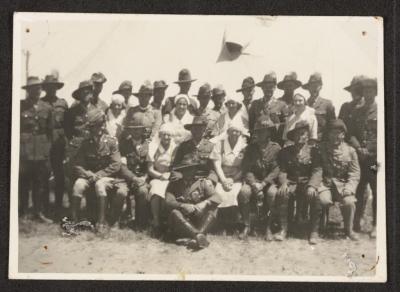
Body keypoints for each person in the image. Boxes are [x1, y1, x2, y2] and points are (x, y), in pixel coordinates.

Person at [71, 109, 126, 234]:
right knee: (78, 185)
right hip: (89, 175)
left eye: (102, 124)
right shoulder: (85, 143)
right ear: (91, 127)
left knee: (99, 185)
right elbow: (77, 164)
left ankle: (101, 222)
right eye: (96, 126)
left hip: (106, 177)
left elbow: (116, 164)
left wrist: (99, 175)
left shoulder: (111, 142)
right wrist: (87, 174)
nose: (100, 128)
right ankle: (74, 221)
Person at [311, 119, 360, 241]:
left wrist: (349, 188)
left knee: (349, 202)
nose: (336, 136)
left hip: (342, 186)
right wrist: (315, 185)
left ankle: (348, 230)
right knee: (322, 200)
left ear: (343, 135)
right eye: (333, 133)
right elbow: (317, 169)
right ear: (328, 134)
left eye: (339, 133)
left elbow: (354, 173)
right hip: (325, 184)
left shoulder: (351, 151)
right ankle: (315, 231)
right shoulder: (320, 148)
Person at [277, 121, 322, 243]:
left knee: (315, 196)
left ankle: (313, 231)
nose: (300, 137)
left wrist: (312, 186)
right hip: (291, 182)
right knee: (283, 194)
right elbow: (282, 170)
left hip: (306, 183)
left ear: (308, 136)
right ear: (293, 137)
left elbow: (317, 170)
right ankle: (283, 229)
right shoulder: (285, 152)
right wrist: (284, 183)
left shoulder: (314, 152)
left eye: (303, 134)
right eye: (298, 134)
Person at [165, 158, 222, 250]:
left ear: (195, 170)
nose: (189, 172)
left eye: (191, 169)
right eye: (186, 169)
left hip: (198, 219)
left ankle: (198, 234)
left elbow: (217, 197)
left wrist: (205, 203)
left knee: (214, 209)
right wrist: (182, 205)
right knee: (175, 213)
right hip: (183, 220)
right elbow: (168, 201)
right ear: (182, 171)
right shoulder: (174, 184)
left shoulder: (202, 182)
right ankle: (198, 235)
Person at [209, 119, 252, 239]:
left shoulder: (244, 146)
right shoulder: (220, 144)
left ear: (241, 133)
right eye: (232, 131)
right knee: (218, 192)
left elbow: (244, 167)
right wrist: (223, 180)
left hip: (237, 177)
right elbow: (216, 164)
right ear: (228, 131)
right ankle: (220, 224)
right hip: (222, 175)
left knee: (236, 193)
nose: (234, 134)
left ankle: (237, 224)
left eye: (237, 132)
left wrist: (233, 179)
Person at [19, 76, 53, 223]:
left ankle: (38, 212)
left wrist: (47, 150)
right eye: (34, 89)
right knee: (24, 182)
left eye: (39, 88)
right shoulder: (20, 106)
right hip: (25, 150)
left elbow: (50, 133)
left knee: (39, 182)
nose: (37, 91)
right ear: (28, 90)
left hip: (41, 151)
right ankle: (24, 211)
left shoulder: (47, 107)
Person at [241, 117, 281, 240]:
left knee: (272, 193)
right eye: (258, 131)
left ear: (269, 132)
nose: (260, 134)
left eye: (264, 131)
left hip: (268, 182)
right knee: (244, 192)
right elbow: (247, 169)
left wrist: (263, 184)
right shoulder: (250, 148)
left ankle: (268, 227)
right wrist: (254, 184)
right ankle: (246, 225)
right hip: (253, 181)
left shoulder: (276, 148)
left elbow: (276, 169)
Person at [349, 77, 378, 237]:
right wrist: (359, 148)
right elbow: (351, 133)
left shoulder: (380, 109)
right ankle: (357, 221)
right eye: (365, 90)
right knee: (359, 190)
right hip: (360, 157)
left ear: (375, 92)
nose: (368, 93)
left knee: (376, 189)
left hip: (375, 160)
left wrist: (370, 149)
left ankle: (375, 225)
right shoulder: (357, 111)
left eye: (371, 90)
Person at [41, 73, 69, 218]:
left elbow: (68, 124)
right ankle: (45, 207)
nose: (51, 89)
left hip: (59, 144)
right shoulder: (40, 104)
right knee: (44, 175)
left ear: (56, 88)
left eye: (54, 87)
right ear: (45, 88)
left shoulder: (62, 103)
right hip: (44, 143)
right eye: (48, 87)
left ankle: (58, 207)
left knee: (59, 175)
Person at [118, 118, 151, 230]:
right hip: (127, 179)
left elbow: (149, 165)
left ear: (143, 131)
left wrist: (145, 177)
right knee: (121, 192)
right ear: (130, 131)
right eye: (134, 130)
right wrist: (133, 178)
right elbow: (122, 167)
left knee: (143, 191)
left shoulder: (148, 145)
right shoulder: (123, 145)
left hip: (143, 178)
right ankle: (117, 219)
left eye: (139, 129)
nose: (136, 132)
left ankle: (140, 222)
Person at [146, 123, 177, 237]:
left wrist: (169, 175)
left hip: (170, 177)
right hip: (156, 176)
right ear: (160, 135)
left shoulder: (175, 148)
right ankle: (156, 221)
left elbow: (176, 166)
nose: (167, 138)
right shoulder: (153, 147)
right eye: (164, 135)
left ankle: (168, 222)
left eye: (169, 135)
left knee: (170, 191)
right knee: (156, 190)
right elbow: (149, 169)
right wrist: (160, 176)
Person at [170, 115, 218, 185]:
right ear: (191, 131)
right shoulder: (183, 146)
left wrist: (210, 180)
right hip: (184, 181)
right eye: (194, 129)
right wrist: (178, 174)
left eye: (199, 129)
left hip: (203, 182)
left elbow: (213, 169)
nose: (197, 131)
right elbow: (175, 166)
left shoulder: (211, 147)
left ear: (204, 130)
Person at [248, 72, 289, 144]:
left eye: (271, 87)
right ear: (262, 88)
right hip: (258, 143)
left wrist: (273, 124)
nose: (268, 89)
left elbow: (286, 127)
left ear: (274, 88)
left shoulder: (282, 105)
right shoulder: (255, 104)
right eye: (266, 87)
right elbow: (250, 125)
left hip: (275, 143)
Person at [302, 73, 336, 141]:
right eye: (312, 86)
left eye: (316, 86)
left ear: (320, 87)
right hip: (306, 142)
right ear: (308, 88)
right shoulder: (303, 105)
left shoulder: (327, 104)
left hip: (321, 143)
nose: (314, 89)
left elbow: (332, 126)